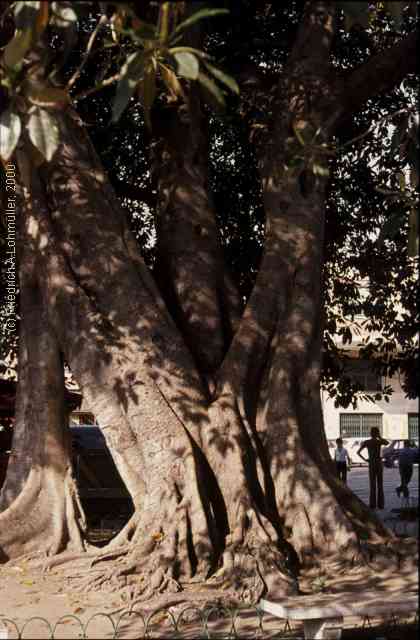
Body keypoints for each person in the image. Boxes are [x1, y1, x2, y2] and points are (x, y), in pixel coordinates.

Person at [357, 427, 389, 509]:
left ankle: (372, 504)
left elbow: (358, 452)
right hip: (378, 463)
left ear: (370, 433)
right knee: (380, 484)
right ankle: (381, 505)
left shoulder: (367, 442)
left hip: (371, 463)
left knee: (372, 484)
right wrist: (380, 436)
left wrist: (365, 460)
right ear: (377, 433)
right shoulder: (379, 442)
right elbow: (387, 443)